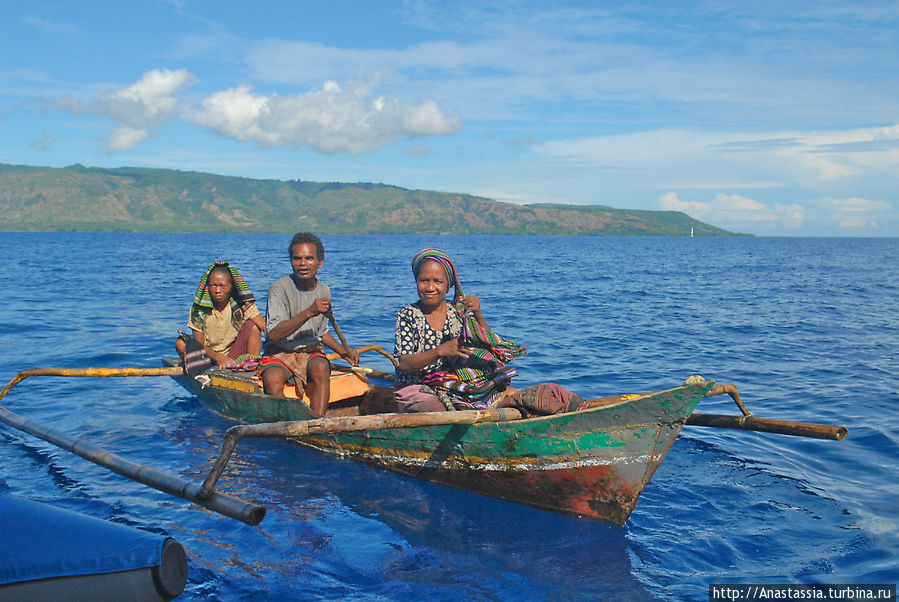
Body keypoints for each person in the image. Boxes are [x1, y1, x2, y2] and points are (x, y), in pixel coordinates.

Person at [393, 248, 526, 412]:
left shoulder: (456, 312)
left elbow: (488, 345)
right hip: (416, 387)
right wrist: (440, 351)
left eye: (438, 281)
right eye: (424, 280)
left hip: (452, 384)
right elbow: (405, 364)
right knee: (435, 407)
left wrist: (478, 314)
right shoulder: (407, 316)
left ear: (448, 286)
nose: (430, 287)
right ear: (416, 282)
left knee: (516, 396)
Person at [259, 232, 360, 415]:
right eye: (297, 258)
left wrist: (343, 351)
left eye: (309, 258)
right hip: (280, 352)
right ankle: (285, 423)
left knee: (321, 368)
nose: (303, 263)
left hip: (309, 351)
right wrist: (309, 312)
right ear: (291, 261)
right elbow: (273, 334)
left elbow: (321, 332)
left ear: (320, 262)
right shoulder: (278, 288)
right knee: (273, 379)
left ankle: (317, 422)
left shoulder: (324, 290)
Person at [175, 261, 266, 369]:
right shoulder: (199, 310)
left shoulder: (242, 306)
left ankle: (251, 366)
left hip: (234, 357)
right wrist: (218, 357)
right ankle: (198, 370)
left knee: (253, 326)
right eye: (214, 286)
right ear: (208, 287)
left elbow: (266, 328)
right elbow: (199, 345)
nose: (218, 290)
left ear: (231, 287)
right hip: (208, 357)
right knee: (180, 343)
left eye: (223, 286)